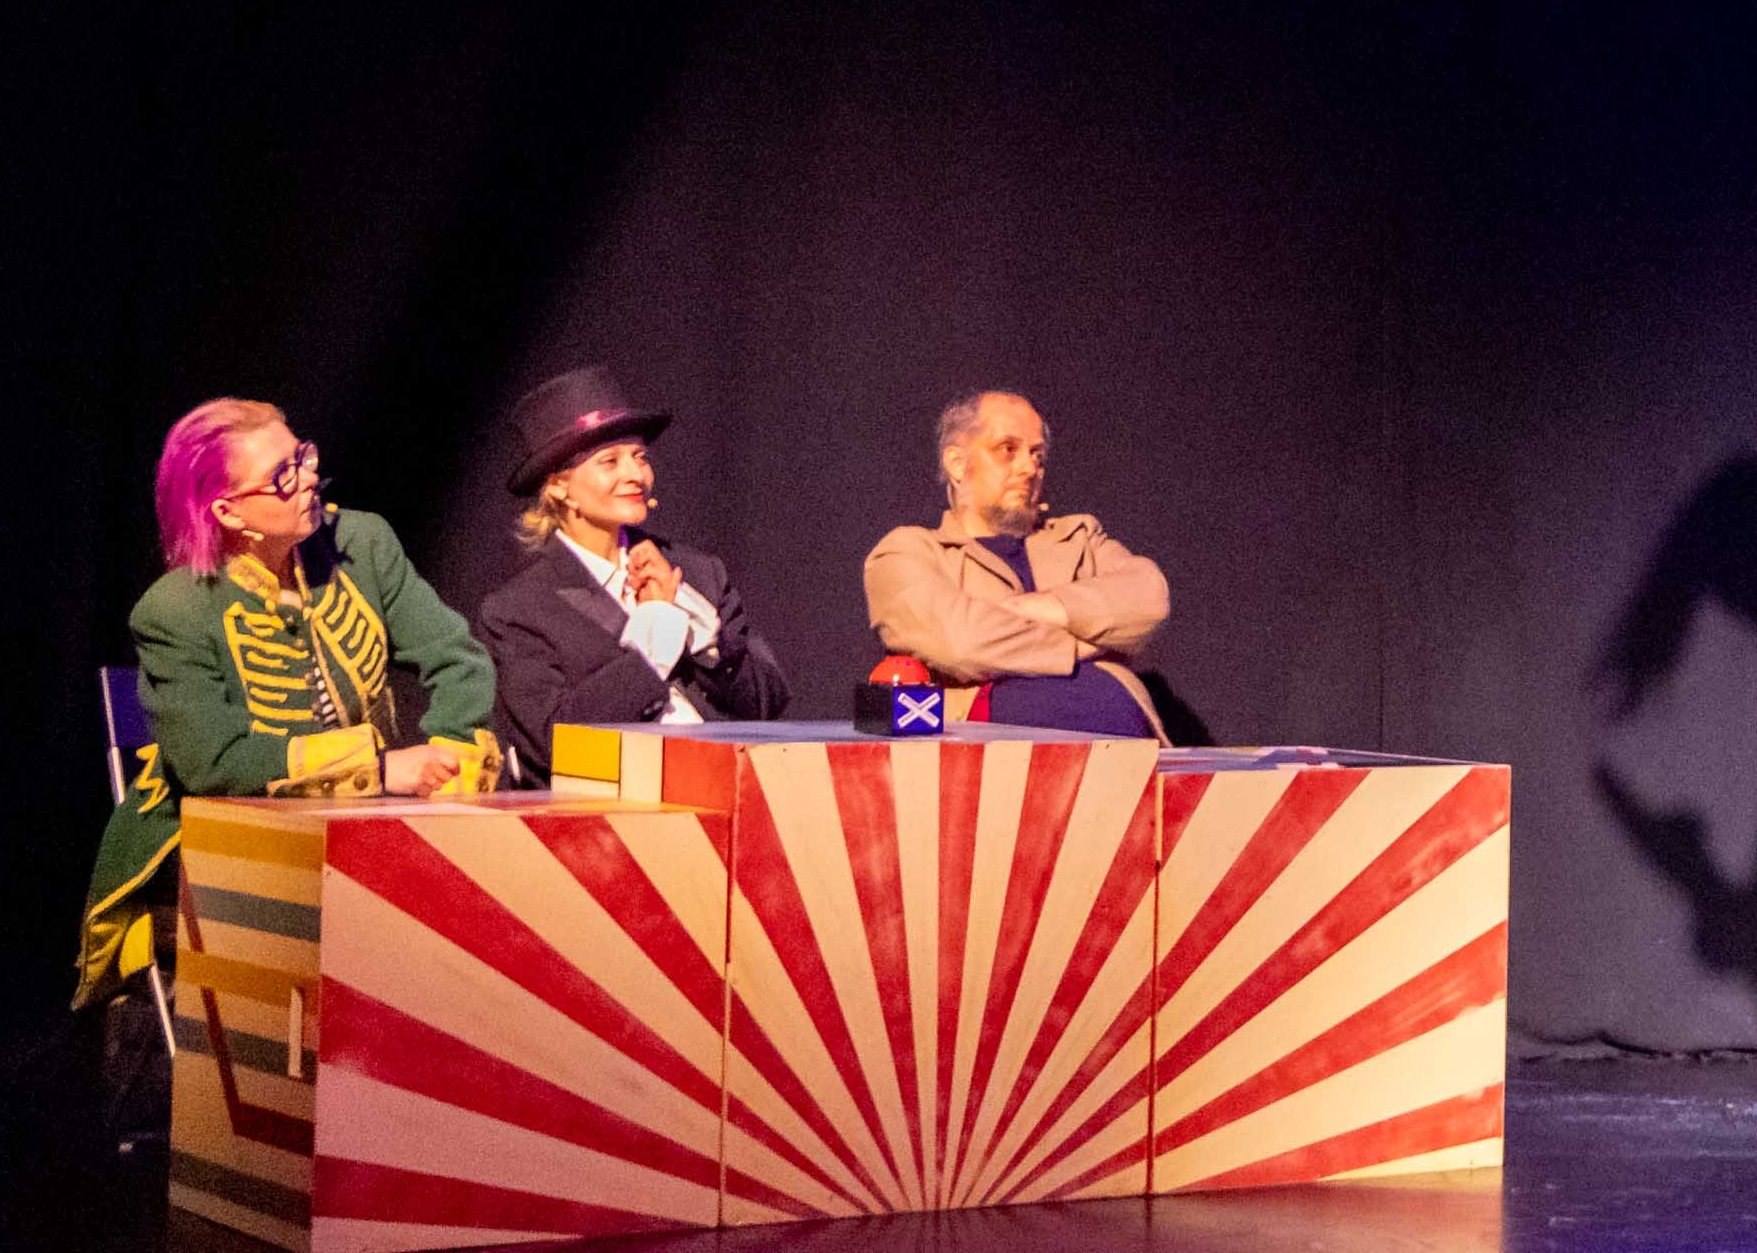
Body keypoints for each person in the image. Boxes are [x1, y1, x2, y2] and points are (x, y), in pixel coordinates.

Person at [75, 399, 499, 1003]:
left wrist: (453, 751)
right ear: (228, 511)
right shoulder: (175, 609)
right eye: (282, 475)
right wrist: (378, 768)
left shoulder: (360, 543)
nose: (308, 480)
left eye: (303, 457)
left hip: (361, 828)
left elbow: (457, 658)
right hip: (221, 839)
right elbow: (214, 763)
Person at [473, 367, 792, 784]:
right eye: (610, 462)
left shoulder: (696, 573)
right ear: (559, 488)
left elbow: (768, 702)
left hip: (725, 788)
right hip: (609, 808)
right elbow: (553, 742)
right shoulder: (519, 610)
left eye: (640, 457)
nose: (635, 475)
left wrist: (706, 638)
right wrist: (651, 645)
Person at [863, 390, 1170, 737]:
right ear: (957, 463)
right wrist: (1082, 644)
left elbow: (1149, 599)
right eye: (1007, 449)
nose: (1029, 469)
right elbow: (960, 642)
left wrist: (1040, 607)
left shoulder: (1079, 539)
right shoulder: (907, 552)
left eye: (1037, 456)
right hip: (997, 762)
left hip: (1127, 752)